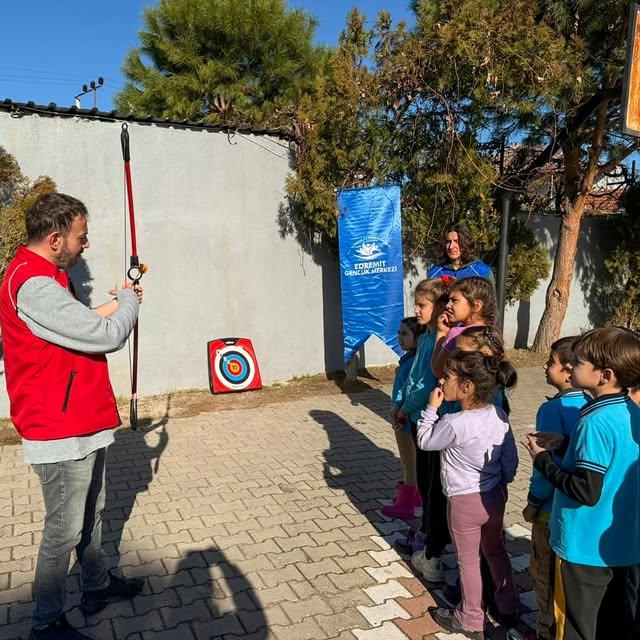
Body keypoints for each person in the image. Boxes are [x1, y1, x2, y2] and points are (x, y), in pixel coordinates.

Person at [0, 193, 145, 640]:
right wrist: (130, 307)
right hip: (59, 429)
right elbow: (103, 335)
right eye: (82, 237)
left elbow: (78, 322)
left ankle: (96, 587)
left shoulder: (45, 276)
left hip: (80, 421)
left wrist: (121, 298)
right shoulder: (33, 283)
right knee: (63, 531)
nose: (88, 244)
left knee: (91, 516)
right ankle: (45, 624)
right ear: (56, 238)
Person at [524, 327, 640, 640]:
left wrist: (542, 460)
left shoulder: (593, 422)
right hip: (622, 545)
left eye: (578, 362)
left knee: (573, 627)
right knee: (611, 624)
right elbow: (610, 462)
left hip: (582, 548)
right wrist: (563, 445)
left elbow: (586, 491)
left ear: (605, 375)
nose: (571, 366)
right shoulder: (630, 412)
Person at [418, 351, 519, 640]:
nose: (441, 380)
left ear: (467, 387)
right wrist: (502, 483)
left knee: (468, 561)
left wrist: (430, 409)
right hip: (494, 496)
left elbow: (425, 440)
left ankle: (470, 618)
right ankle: (508, 604)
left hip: (463, 501)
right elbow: (509, 458)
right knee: (496, 551)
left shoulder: (455, 423)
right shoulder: (498, 414)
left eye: (447, 377)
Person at [522, 337, 588, 640]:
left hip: (550, 511)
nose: (544, 367)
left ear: (568, 370)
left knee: (543, 575)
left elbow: (542, 466)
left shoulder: (553, 409)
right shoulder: (588, 404)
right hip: (576, 513)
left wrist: (534, 501)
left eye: (550, 362)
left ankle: (542, 631)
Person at [392, 278, 449, 569]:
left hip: (428, 419)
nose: (416, 309)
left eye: (422, 305)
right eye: (416, 304)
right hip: (416, 417)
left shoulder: (438, 340)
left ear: (440, 308)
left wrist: (406, 407)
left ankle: (430, 538)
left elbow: (425, 383)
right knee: (427, 482)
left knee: (431, 484)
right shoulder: (426, 338)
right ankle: (427, 531)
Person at [383, 317, 424, 518]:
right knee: (413, 461)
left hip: (404, 418)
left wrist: (397, 411)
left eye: (405, 334)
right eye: (399, 333)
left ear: (418, 338)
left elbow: (406, 391)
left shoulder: (412, 363)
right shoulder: (411, 360)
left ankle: (406, 505)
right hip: (406, 415)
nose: (400, 338)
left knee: (409, 462)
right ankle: (415, 496)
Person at [432, 276, 497, 379]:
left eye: (454, 300)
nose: (448, 305)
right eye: (449, 300)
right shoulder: (492, 334)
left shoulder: (456, 334)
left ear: (476, 306)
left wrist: (441, 333)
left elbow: (437, 370)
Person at [427, 223, 494, 282]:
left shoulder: (482, 272)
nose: (451, 246)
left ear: (466, 243)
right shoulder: (434, 273)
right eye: (448, 242)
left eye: (456, 241)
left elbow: (491, 296)